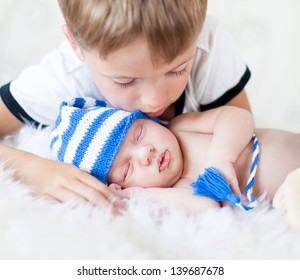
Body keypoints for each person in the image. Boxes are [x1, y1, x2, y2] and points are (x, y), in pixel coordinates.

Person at [0, 0, 252, 210]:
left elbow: (246, 135)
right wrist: (33, 168)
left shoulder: (206, 43)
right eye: (125, 81)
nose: (155, 100)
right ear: (75, 44)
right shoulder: (62, 79)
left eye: (178, 69)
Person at [51, 97, 300, 213]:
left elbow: (237, 116)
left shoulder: (181, 127)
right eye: (128, 169)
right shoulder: (179, 187)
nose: (144, 154)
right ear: (120, 185)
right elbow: (206, 206)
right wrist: (140, 195)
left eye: (139, 134)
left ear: (149, 120)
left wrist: (220, 161)